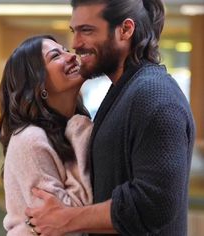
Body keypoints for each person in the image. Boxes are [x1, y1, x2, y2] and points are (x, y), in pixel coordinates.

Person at [25, 0, 195, 235]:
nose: (75, 44)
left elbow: (155, 203)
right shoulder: (126, 91)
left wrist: (65, 218)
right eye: (75, 31)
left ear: (125, 30)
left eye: (87, 30)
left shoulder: (154, 96)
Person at [0, 34, 93, 235]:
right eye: (55, 56)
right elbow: (64, 223)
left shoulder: (66, 128)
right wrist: (80, 130)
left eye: (65, 50)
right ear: (38, 85)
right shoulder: (30, 139)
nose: (71, 56)